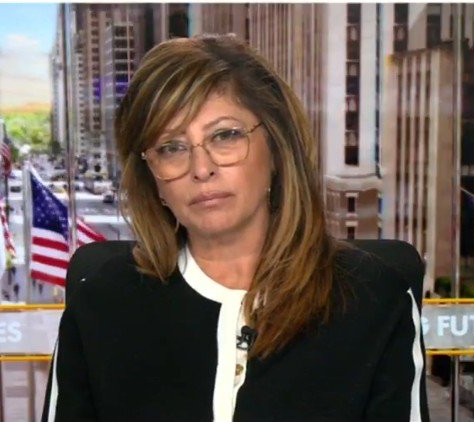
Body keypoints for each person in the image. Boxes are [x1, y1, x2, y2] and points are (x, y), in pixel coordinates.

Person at [43, 35, 428, 421]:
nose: (201, 169)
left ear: (276, 149)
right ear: (152, 179)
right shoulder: (99, 307)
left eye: (225, 136)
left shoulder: (375, 302)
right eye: (171, 148)